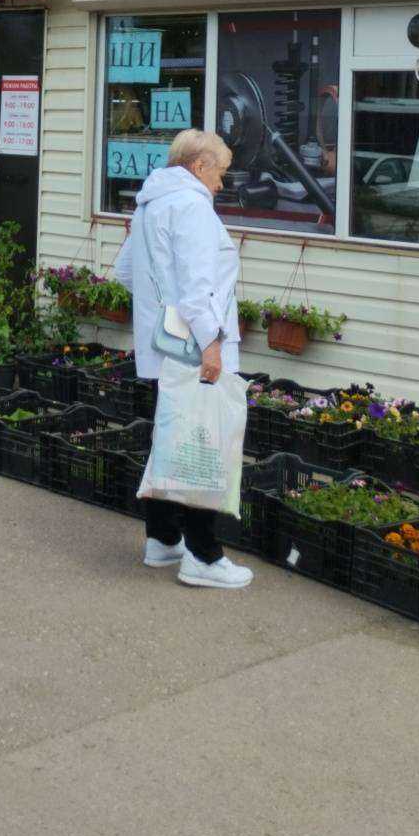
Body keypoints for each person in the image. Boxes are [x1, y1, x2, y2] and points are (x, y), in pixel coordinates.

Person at [114, 128, 252, 590]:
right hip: (196, 347)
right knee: (203, 444)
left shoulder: (150, 203)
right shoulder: (192, 206)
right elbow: (198, 284)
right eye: (221, 172)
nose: (222, 183)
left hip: (163, 347)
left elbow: (126, 272)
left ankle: (162, 539)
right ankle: (203, 556)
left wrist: (159, 312)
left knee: (169, 436)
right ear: (199, 165)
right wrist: (210, 341)